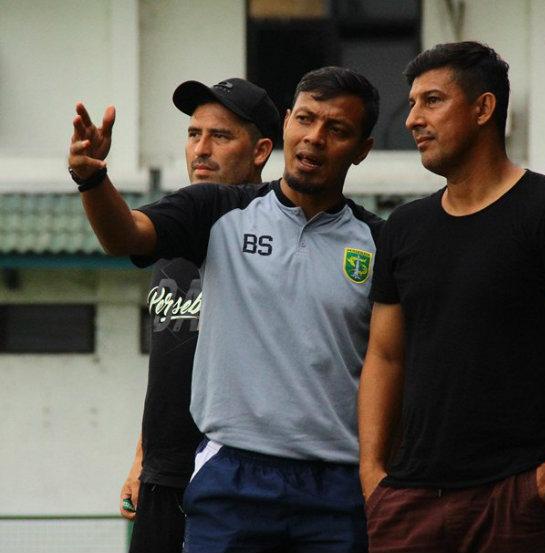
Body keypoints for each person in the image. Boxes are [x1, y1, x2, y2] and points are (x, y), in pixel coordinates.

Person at [68, 66, 382, 553]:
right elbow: (124, 235)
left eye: (336, 129)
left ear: (362, 148)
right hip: (231, 473)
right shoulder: (214, 210)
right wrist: (91, 179)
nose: (314, 138)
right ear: (285, 126)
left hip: (337, 485)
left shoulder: (380, 242)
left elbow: (398, 365)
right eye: (305, 119)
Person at [358, 41, 545, 553]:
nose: (414, 119)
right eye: (413, 103)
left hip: (522, 498)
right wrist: (374, 476)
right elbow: (385, 355)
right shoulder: (404, 228)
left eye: (432, 101)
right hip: (410, 502)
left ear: (484, 108)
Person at [112, 78, 280, 553]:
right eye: (193, 134)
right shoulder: (171, 236)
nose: (200, 149)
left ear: (261, 150)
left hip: (239, 476)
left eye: (220, 136)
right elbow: (169, 364)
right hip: (164, 476)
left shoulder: (272, 234)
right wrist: (143, 458)